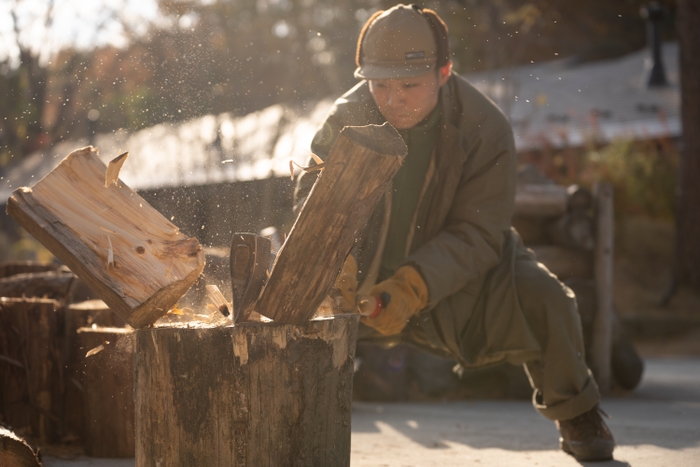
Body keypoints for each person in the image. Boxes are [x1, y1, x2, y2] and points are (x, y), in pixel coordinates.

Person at [295, 4, 615, 462]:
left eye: (409, 85)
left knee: (547, 298)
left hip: (451, 282)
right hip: (355, 284)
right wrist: (334, 263)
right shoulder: (343, 119)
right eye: (379, 85)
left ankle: (577, 411)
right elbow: (312, 197)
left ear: (443, 72)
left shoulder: (486, 128)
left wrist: (410, 287)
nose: (393, 99)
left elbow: (479, 233)